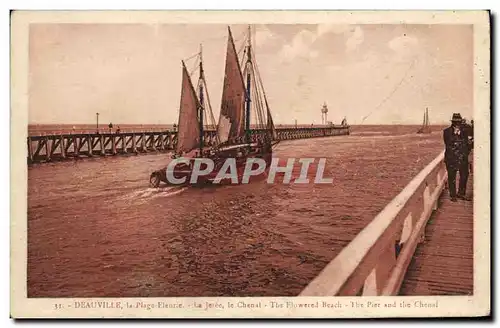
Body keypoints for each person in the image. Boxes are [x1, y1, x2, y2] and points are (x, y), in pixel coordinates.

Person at [443, 113, 471, 202]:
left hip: (462, 157)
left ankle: (461, 194)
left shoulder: (465, 131)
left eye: (459, 122)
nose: (457, 124)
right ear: (453, 122)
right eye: (456, 122)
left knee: (464, 175)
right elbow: (448, 144)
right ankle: (453, 195)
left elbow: (468, 144)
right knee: (452, 177)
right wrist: (456, 135)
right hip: (451, 158)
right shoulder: (446, 131)